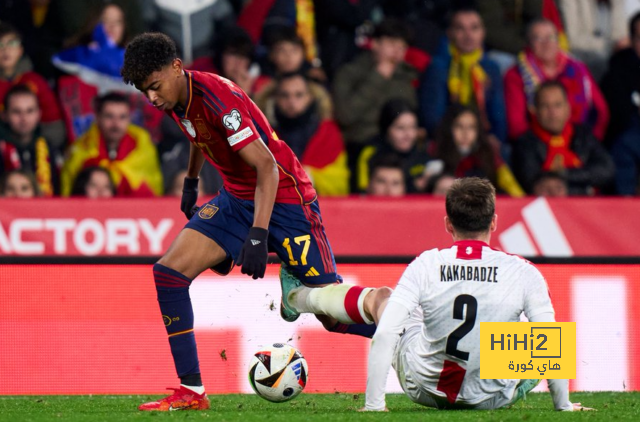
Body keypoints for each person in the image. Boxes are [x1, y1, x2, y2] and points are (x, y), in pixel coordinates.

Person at [121, 32, 388, 411]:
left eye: (154, 86)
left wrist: (260, 236)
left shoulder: (217, 99)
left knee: (330, 316)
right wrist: (192, 181)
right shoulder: (176, 96)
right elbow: (199, 134)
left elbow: (267, 168)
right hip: (238, 197)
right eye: (144, 91)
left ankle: (401, 334)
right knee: (168, 273)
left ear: (176, 68)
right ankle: (192, 391)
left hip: (288, 200)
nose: (152, 98)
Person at [361, 177, 592, 412]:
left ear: (448, 224)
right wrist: (564, 406)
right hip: (491, 398)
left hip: (423, 389)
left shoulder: (426, 264)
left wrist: (374, 406)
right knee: (528, 331)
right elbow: (548, 340)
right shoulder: (523, 271)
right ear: (493, 223)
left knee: (383, 299)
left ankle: (327, 301)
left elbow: (386, 334)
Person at [332, 18, 418, 190]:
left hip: (399, 148)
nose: (397, 51)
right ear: (375, 44)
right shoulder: (350, 73)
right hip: (359, 147)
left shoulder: (406, 76)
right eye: (392, 43)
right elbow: (345, 115)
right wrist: (377, 78)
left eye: (402, 47)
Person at [504, 19, 610, 142]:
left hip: (580, 141)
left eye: (551, 37)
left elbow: (601, 111)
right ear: (529, 43)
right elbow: (517, 125)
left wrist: (591, 142)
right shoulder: (516, 74)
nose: (547, 43)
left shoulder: (578, 68)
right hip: (537, 145)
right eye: (538, 38)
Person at [419, 8, 507, 144]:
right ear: (450, 33)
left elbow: (498, 112)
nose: (468, 35)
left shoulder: (491, 67)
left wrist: (496, 137)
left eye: (474, 28)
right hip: (448, 141)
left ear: (483, 33)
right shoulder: (438, 67)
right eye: (461, 29)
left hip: (482, 139)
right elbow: (433, 117)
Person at [512, 81, 614, 195]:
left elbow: (606, 170)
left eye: (557, 105)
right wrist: (584, 188)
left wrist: (563, 173)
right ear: (535, 111)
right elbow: (533, 183)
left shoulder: (583, 135)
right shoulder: (526, 143)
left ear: (568, 109)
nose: (552, 113)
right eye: (545, 106)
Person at [255, 71, 349, 196]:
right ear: (276, 98)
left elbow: (341, 183)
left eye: (298, 95)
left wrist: (312, 177)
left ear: (310, 97)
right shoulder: (262, 135)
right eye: (285, 95)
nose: (291, 101)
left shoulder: (329, 133)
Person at [60, 92, 163, 197]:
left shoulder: (143, 147)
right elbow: (69, 191)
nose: (116, 124)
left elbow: (153, 188)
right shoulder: (81, 148)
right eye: (109, 116)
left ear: (129, 119)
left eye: (122, 117)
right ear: (98, 118)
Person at [431, 105, 524, 197]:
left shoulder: (490, 157)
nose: (465, 133)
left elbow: (513, 191)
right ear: (449, 128)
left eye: (471, 127)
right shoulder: (435, 153)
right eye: (459, 126)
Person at [0, 23, 66, 147]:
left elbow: (53, 123)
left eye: (12, 44)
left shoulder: (35, 81)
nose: (6, 50)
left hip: (36, 148)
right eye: (0, 45)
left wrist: (44, 147)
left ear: (20, 50)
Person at [0, 84, 62, 196]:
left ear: (39, 114)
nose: (24, 118)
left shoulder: (49, 148)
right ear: (4, 115)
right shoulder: (1, 150)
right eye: (16, 112)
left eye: (30, 111)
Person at [357, 99, 429, 194]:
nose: (408, 135)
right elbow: (361, 193)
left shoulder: (423, 155)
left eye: (413, 127)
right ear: (386, 129)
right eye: (400, 128)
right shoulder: (370, 153)